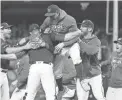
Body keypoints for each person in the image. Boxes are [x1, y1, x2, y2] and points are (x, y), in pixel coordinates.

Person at [40, 5, 82, 99]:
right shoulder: (48, 19)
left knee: (76, 58)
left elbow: (75, 37)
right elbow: (41, 29)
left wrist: (63, 44)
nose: (50, 16)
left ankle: (81, 80)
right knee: (56, 69)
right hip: (57, 44)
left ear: (58, 13)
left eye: (52, 14)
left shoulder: (70, 20)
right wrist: (43, 31)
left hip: (71, 43)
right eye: (49, 14)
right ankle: (60, 88)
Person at [18, 24, 56, 100]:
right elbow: (19, 43)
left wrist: (45, 44)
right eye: (34, 31)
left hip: (46, 66)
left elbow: (55, 50)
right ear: (30, 32)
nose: (36, 32)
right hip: (34, 67)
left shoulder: (47, 37)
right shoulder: (29, 41)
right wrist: (30, 38)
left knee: (50, 94)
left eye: (37, 30)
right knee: (29, 94)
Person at [0, 22, 32, 100]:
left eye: (10, 28)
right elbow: (9, 52)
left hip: (4, 73)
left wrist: (27, 41)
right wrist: (25, 47)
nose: (10, 30)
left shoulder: (5, 42)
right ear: (1, 30)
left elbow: (14, 53)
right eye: (7, 28)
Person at [76, 20, 106, 100]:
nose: (80, 28)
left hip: (94, 74)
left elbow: (90, 51)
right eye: (80, 26)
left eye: (83, 26)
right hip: (82, 75)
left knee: (99, 96)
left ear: (90, 29)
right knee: (81, 98)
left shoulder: (96, 41)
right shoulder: (79, 39)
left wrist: (79, 41)